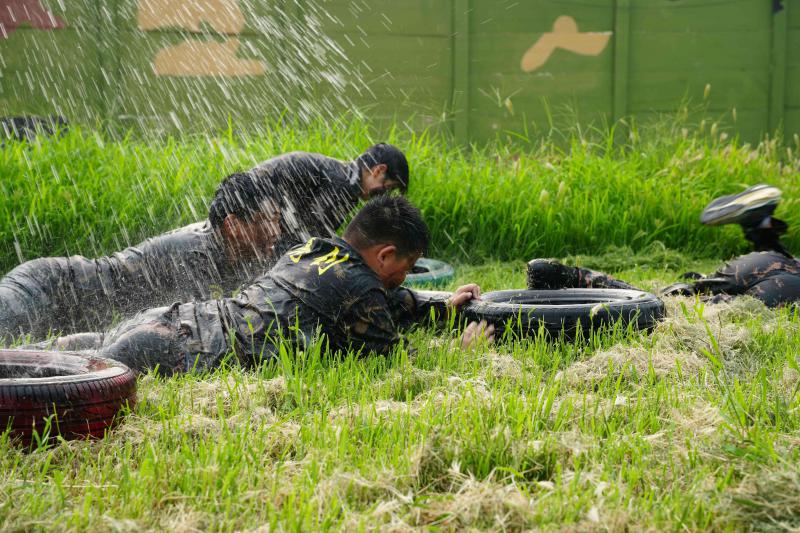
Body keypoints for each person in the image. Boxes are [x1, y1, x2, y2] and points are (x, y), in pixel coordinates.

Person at [37, 196, 494, 374]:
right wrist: (459, 354)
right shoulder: (359, 286)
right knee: (55, 381)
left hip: (170, 321)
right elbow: (397, 363)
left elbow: (383, 302)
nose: (403, 278)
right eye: (406, 266)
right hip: (178, 353)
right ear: (385, 255)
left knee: (49, 354)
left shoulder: (313, 249)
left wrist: (442, 307)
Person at [0, 143, 409, 341]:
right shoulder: (195, 258)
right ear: (233, 226)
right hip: (44, 288)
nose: (275, 232)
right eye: (266, 223)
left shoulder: (236, 249)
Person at [526, 184, 800, 308]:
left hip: (772, 263)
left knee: (686, 298)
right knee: (695, 307)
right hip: (788, 281)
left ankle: (759, 226)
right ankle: (760, 227)